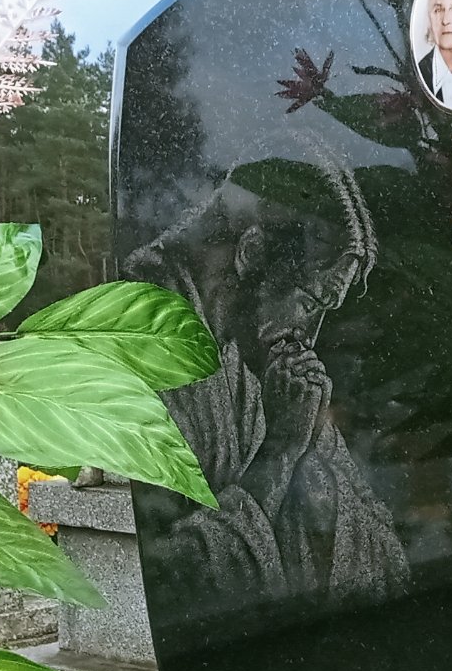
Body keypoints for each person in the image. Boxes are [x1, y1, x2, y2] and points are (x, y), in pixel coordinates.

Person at [124, 161, 410, 608]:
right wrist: (279, 451)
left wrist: (313, 443)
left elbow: (386, 560)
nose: (311, 336)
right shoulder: (141, 339)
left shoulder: (259, 365)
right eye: (310, 303)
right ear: (252, 252)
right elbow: (169, 580)